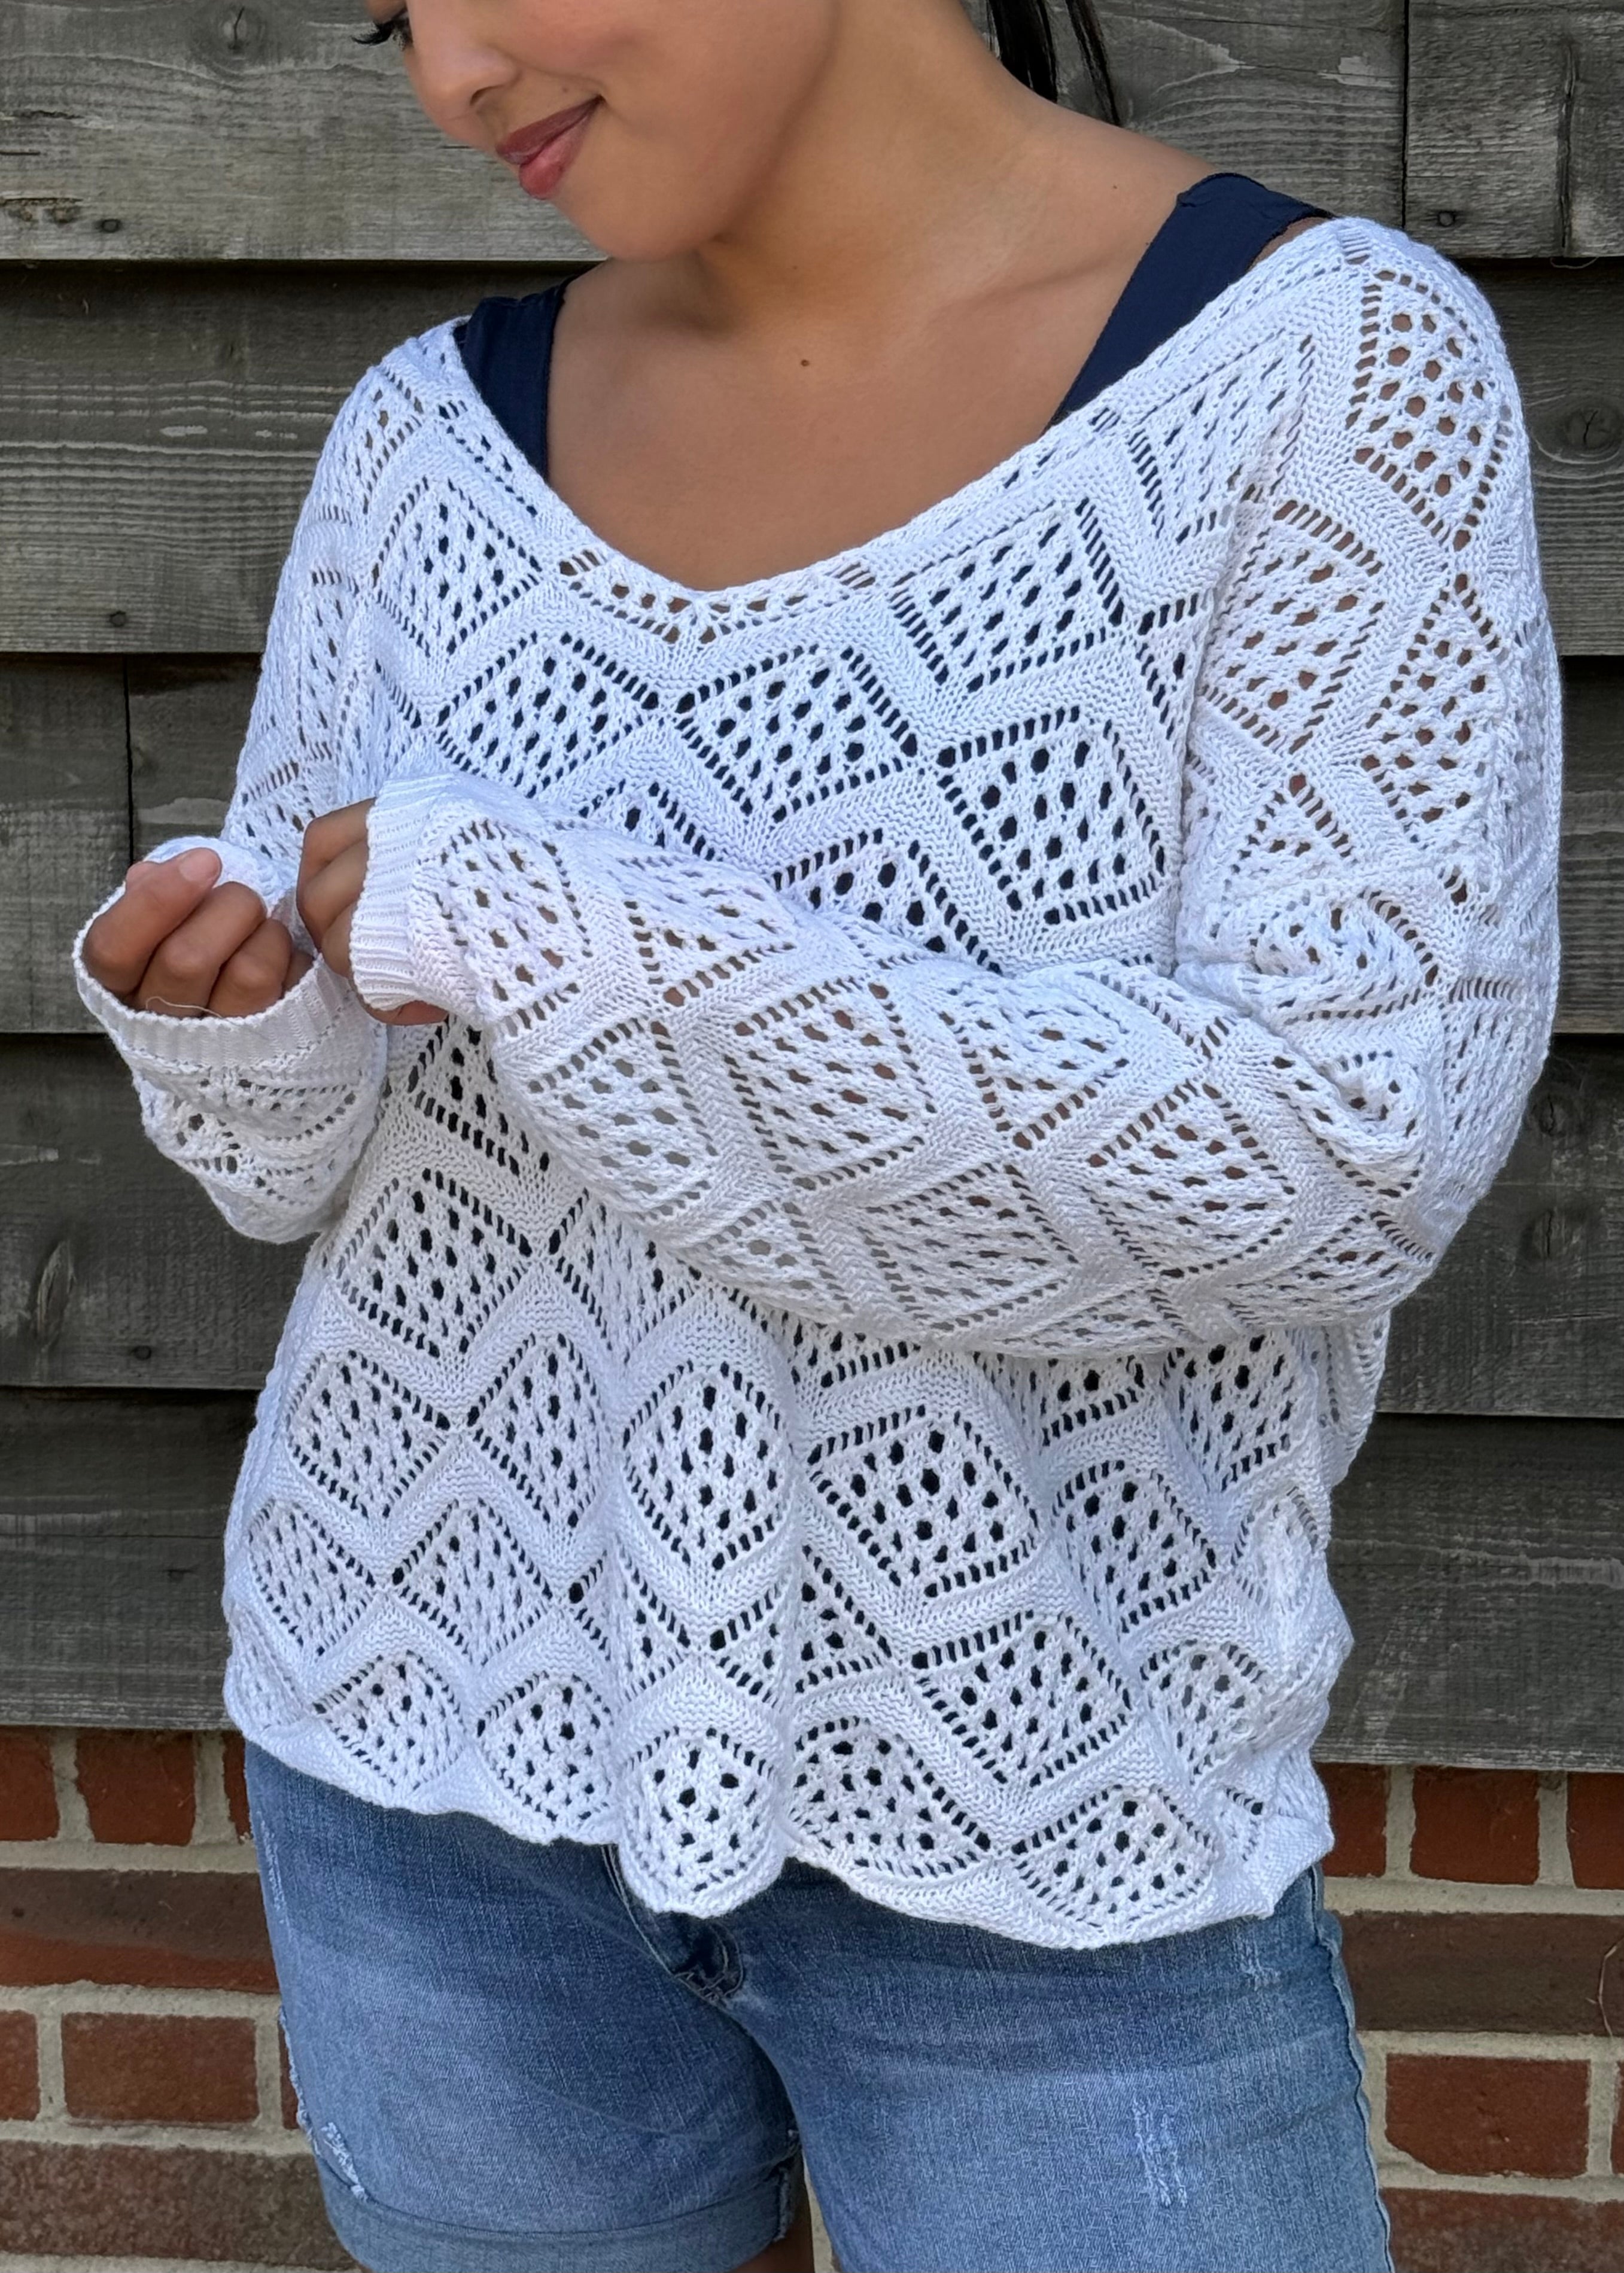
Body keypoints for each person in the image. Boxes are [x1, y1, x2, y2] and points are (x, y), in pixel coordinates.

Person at [74, 2, 1562, 2268]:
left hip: (1040, 1808)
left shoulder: (1322, 366)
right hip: (422, 1744)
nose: (449, 74)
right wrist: (246, 1022)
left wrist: (558, 930)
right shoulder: (424, 437)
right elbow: (307, 1170)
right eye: (390, 13)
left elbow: (1340, 1151)